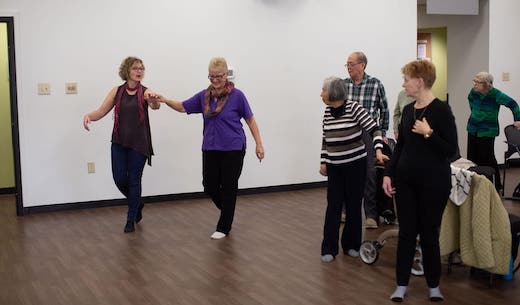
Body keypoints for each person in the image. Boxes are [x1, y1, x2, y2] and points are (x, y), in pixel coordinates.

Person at [158, 57, 264, 240]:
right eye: (211, 76)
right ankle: (228, 210)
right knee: (209, 185)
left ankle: (224, 226)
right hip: (210, 147)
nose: (215, 80)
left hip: (233, 147)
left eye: (219, 76)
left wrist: (259, 144)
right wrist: (165, 100)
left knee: (229, 187)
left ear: (226, 75)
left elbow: (250, 119)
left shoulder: (237, 96)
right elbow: (183, 107)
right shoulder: (203, 97)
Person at [382, 60, 458, 302]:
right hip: (405, 181)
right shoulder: (407, 110)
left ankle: (434, 286)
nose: (403, 83)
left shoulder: (441, 111)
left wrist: (429, 133)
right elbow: (401, 147)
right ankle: (401, 285)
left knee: (428, 233)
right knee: (406, 233)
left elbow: (451, 149)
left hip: (434, 183)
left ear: (420, 81)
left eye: (406, 79)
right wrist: (388, 174)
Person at [83, 56, 161, 233]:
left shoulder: (146, 92)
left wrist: (154, 100)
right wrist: (89, 116)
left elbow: (155, 106)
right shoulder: (117, 91)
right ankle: (137, 203)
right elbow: (102, 111)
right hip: (119, 141)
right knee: (119, 178)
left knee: (134, 180)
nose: (139, 71)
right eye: (135, 68)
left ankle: (130, 218)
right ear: (127, 71)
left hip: (139, 144)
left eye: (142, 68)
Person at [319, 76, 387, 263]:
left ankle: (351, 245)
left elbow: (375, 129)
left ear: (333, 92)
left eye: (323, 90)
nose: (320, 94)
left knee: (354, 205)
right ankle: (329, 248)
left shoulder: (354, 108)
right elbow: (326, 139)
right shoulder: (327, 112)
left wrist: (379, 150)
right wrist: (323, 161)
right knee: (333, 207)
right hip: (334, 167)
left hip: (355, 165)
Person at [344, 51, 389, 229]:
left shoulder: (376, 84)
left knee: (370, 174)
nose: (348, 67)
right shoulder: (343, 85)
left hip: (368, 133)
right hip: (348, 133)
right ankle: (345, 211)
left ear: (362, 65)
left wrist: (382, 133)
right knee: (347, 173)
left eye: (351, 64)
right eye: (347, 64)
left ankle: (371, 215)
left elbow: (384, 111)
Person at [466, 71, 520, 191]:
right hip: (473, 128)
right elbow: (470, 99)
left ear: (486, 84)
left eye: (477, 82)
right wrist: (475, 112)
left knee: (487, 158)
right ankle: (476, 185)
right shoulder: (473, 92)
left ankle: (496, 185)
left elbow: (513, 104)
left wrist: (518, 119)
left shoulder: (496, 94)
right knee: (472, 157)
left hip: (488, 130)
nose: (474, 84)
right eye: (474, 81)